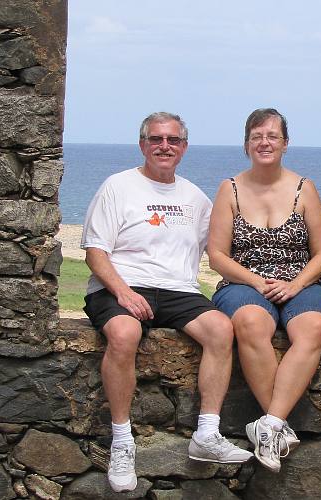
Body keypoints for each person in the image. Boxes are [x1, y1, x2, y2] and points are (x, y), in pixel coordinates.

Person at [81, 112, 252, 493]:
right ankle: (122, 442)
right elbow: (95, 252)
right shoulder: (118, 186)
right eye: (156, 139)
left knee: (222, 329)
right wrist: (124, 292)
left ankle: (207, 434)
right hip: (122, 284)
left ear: (184, 147)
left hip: (178, 289)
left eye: (173, 140)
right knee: (124, 333)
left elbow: (222, 249)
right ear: (142, 144)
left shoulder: (195, 197)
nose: (164, 146)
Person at [207, 108, 321, 472]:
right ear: (247, 143)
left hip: (301, 282)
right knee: (249, 323)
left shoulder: (304, 188)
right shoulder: (229, 188)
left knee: (313, 328)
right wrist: (254, 281)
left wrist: (295, 284)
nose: (264, 142)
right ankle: (277, 427)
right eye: (256, 136)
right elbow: (216, 254)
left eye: (272, 136)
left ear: (285, 143)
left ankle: (269, 424)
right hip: (242, 284)